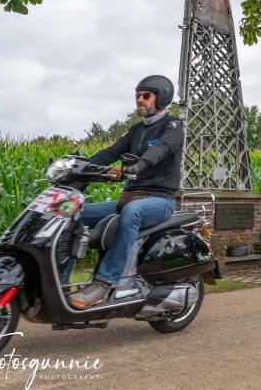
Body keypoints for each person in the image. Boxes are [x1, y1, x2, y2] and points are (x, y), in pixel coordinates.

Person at [67, 75, 184, 309]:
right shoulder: (135, 130)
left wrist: (138, 165)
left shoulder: (173, 127)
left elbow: (160, 150)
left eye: (146, 96)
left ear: (160, 98)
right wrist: (77, 168)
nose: (140, 100)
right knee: (72, 212)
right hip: (129, 197)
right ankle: (60, 281)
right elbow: (109, 153)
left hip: (159, 200)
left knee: (132, 212)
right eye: (138, 95)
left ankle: (104, 282)